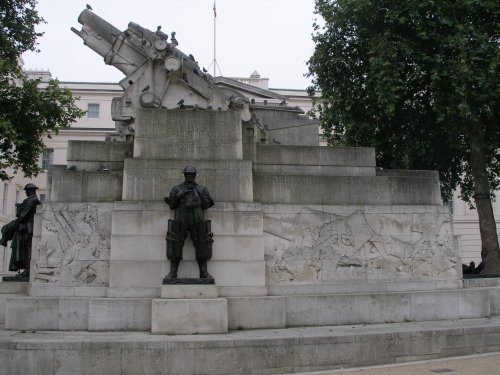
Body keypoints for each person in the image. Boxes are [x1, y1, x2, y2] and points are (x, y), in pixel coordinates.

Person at [164, 166, 214, 281]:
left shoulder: (202, 189)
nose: (190, 176)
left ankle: (204, 272)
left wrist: (199, 193)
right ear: (184, 175)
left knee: (202, 243)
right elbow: (172, 205)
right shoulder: (177, 189)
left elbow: (207, 205)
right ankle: (173, 272)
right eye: (187, 174)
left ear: (195, 175)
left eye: (192, 174)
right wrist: (181, 194)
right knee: (175, 243)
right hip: (181, 218)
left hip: (197, 219)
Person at [0, 183, 41, 280]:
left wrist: (19, 210)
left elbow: (21, 216)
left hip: (27, 228)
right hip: (24, 227)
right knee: (22, 248)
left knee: (27, 249)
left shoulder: (32, 200)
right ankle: (26, 269)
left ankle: (28, 270)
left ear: (30, 190)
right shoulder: (31, 200)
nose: (26, 192)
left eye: (26, 190)